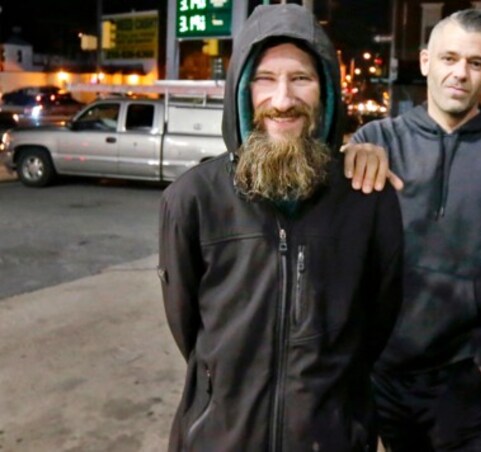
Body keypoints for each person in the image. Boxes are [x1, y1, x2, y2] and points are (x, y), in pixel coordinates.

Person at [158, 4, 403, 451]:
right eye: (265, 79)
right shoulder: (192, 199)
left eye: (301, 79)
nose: (283, 100)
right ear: (241, 91)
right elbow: (188, 328)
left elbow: (377, 321)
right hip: (219, 439)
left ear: (327, 90)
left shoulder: (368, 198)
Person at [343, 8, 481, 451]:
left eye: (475, 63)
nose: (460, 73)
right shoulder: (375, 143)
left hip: (468, 381)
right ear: (425, 62)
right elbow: (338, 257)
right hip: (381, 374)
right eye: (448, 58)